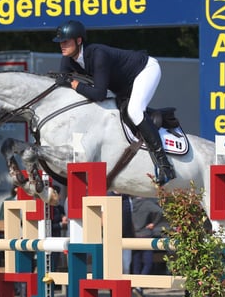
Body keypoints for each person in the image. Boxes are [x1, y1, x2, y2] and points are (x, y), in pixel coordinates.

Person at [52, 19, 175, 185]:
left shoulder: (98, 55)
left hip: (145, 71)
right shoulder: (68, 58)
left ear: (79, 40)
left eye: (65, 41)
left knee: (134, 111)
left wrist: (74, 84)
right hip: (123, 85)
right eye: (60, 42)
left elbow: (99, 93)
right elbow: (61, 81)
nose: (62, 45)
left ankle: (164, 164)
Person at [130, 195, 166, 297]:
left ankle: (137, 285)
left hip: (134, 236)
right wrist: (154, 223)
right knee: (148, 262)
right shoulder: (147, 203)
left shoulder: (131, 203)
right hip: (146, 235)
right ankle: (139, 286)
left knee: (136, 263)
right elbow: (160, 211)